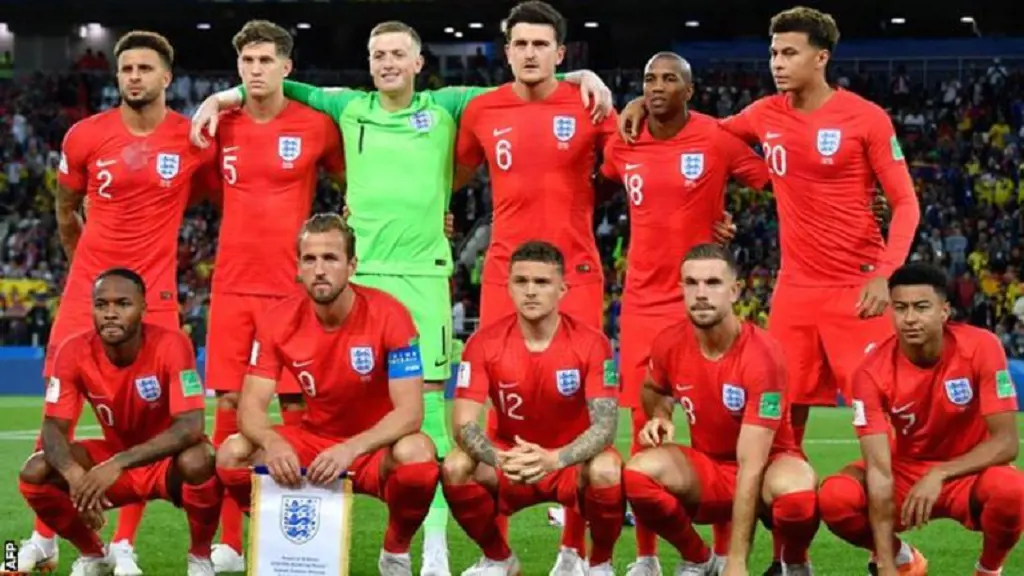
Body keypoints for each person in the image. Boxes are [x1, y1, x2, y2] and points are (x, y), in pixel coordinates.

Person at [190, 19, 610, 576]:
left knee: (431, 410)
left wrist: (582, 73)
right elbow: (282, 85)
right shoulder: (348, 108)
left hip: (423, 277)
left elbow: (527, 80)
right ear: (370, 63)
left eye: (397, 54)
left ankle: (432, 544)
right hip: (360, 278)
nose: (387, 63)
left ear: (418, 63)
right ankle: (301, 532)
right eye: (378, 54)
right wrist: (223, 94)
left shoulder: (449, 105)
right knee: (331, 392)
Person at [618, 9, 920, 573]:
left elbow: (905, 201)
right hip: (795, 294)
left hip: (859, 292)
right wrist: (644, 105)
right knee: (781, 438)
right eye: (774, 54)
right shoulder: (763, 115)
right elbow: (698, 133)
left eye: (789, 54)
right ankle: (788, 561)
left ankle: (893, 556)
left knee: (879, 438)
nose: (778, 64)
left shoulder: (866, 118)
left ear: (821, 58)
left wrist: (887, 272)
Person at [19, 30, 217, 576]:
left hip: (155, 301)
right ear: (118, 76)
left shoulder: (192, 137)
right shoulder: (85, 136)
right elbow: (65, 209)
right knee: (54, 417)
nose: (134, 76)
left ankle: (122, 545)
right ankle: (44, 540)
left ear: (166, 77)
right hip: (89, 295)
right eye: (126, 68)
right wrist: (91, 281)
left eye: (145, 68)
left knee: (146, 424)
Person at [452, 4, 618, 568]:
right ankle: (498, 555)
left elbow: (640, 156)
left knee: (581, 409)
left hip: (577, 274)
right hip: (504, 273)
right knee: (497, 408)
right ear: (506, 51)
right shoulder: (481, 108)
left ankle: (575, 550)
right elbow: (447, 175)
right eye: (519, 43)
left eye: (540, 44)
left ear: (560, 53)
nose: (529, 53)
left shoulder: (589, 102)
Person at [597, 51, 769, 576]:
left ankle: (720, 553)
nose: (657, 86)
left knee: (717, 430)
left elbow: (771, 176)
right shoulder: (623, 141)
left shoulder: (717, 137)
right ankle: (647, 558)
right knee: (645, 424)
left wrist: (730, 215)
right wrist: (628, 105)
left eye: (670, 79)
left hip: (703, 297)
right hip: (645, 301)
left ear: (689, 91)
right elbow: (598, 173)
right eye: (649, 78)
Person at [198, 20, 346, 573]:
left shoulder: (316, 126)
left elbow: (353, 186)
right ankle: (230, 542)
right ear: (238, 68)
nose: (255, 70)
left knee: (297, 407)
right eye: (247, 61)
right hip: (233, 286)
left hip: (292, 292)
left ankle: (301, 536)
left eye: (266, 60)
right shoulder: (221, 125)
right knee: (230, 408)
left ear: (287, 67)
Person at [215, 213, 439, 576]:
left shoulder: (390, 314)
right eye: (310, 259)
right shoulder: (277, 320)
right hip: (316, 441)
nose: (320, 269)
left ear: (351, 266)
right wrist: (272, 442)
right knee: (232, 452)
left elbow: (410, 412)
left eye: (331, 259)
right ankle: (280, 534)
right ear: (298, 268)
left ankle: (395, 550)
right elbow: (251, 406)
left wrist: (352, 448)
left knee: (418, 455)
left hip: (373, 449)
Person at [624, 244, 819, 576]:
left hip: (768, 466)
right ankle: (698, 558)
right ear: (681, 289)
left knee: (796, 492)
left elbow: (751, 464)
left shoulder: (763, 356)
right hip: (711, 468)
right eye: (692, 283)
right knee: (638, 473)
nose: (701, 293)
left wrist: (737, 562)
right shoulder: (669, 342)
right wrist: (660, 415)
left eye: (713, 283)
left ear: (735, 291)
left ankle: (795, 562)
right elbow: (653, 389)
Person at [819, 263, 1024, 576]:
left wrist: (940, 473)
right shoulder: (869, 371)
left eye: (921, 307)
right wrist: (886, 563)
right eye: (900, 308)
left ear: (944, 311)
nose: (910, 318)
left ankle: (988, 570)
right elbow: (878, 469)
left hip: (968, 472)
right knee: (836, 498)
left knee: (1011, 489)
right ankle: (904, 559)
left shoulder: (981, 346)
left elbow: (1007, 443)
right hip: (905, 472)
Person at [18, 269, 221, 576]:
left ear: (143, 307)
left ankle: (200, 558)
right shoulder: (73, 350)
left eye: (122, 304)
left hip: (164, 463)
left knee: (200, 459)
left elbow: (191, 426)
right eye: (101, 305)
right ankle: (94, 554)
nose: (110, 314)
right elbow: (52, 427)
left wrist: (118, 463)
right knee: (35, 470)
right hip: (114, 461)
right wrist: (75, 476)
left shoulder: (173, 345)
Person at [443, 241, 623, 576]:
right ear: (508, 287)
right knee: (455, 465)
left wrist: (554, 459)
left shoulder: (592, 343)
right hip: (510, 461)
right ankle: (498, 559)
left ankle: (599, 564)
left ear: (562, 289)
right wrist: (501, 459)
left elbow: (605, 427)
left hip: (569, 463)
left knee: (607, 470)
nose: (530, 291)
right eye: (521, 281)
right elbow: (464, 424)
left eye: (541, 282)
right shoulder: (482, 343)